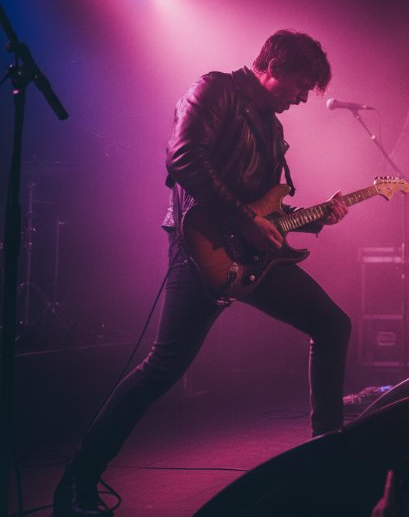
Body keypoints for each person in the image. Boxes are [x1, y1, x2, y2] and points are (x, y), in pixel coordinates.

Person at [54, 30, 353, 517]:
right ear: (274, 66)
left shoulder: (272, 127)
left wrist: (317, 217)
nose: (302, 98)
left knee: (332, 324)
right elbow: (183, 157)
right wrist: (245, 220)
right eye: (301, 85)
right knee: (163, 368)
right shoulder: (215, 90)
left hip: (252, 256)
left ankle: (327, 458)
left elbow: (265, 209)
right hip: (201, 248)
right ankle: (76, 482)